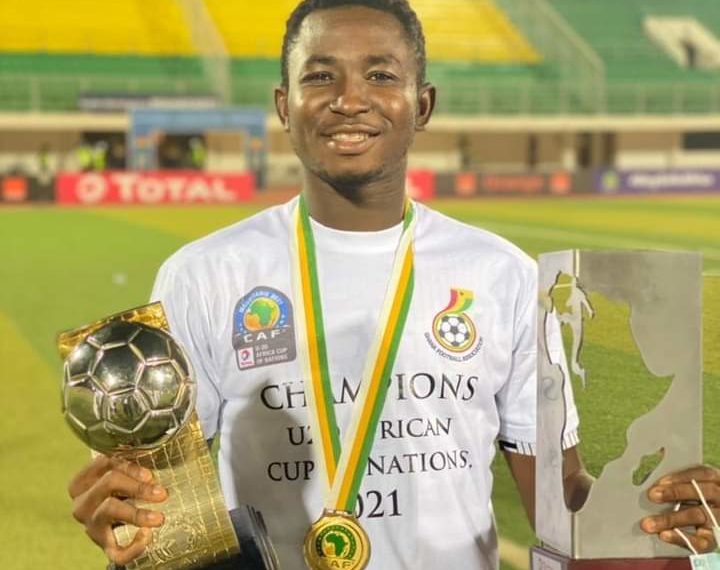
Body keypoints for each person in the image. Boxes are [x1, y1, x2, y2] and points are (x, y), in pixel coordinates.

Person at [67, 1, 719, 568]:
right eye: (319, 76)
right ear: (283, 106)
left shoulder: (503, 276)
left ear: (423, 104)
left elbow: (560, 504)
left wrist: (665, 510)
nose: (349, 98)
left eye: (381, 74)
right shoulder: (204, 277)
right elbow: (164, 514)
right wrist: (128, 520)